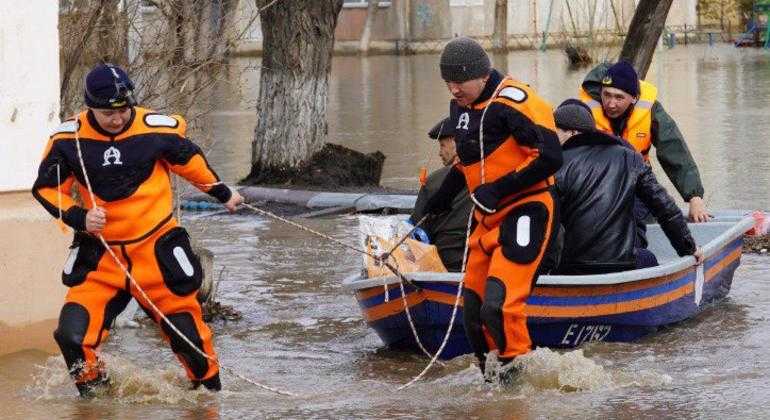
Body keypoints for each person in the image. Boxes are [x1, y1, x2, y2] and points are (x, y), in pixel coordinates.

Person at [32, 63, 243, 396]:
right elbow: (46, 189)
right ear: (90, 108)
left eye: (122, 110)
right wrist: (79, 217)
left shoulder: (156, 129)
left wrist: (223, 193)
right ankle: (97, 400)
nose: (117, 119)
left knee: (190, 341)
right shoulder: (67, 139)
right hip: (101, 256)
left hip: (155, 251)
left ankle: (208, 399)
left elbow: (191, 164)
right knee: (71, 337)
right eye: (106, 113)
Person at [422, 37, 562, 379]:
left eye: (459, 83)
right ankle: (490, 383)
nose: (453, 90)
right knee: (472, 312)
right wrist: (440, 198)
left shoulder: (516, 103)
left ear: (483, 76)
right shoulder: (461, 109)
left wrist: (500, 189)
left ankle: (518, 385)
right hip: (486, 216)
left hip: (526, 210)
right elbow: (467, 163)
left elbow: (551, 157)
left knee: (498, 307)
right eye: (448, 83)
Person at [552, 99, 703, 275]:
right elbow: (665, 208)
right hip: (622, 263)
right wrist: (689, 248)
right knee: (648, 258)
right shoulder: (630, 157)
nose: (552, 137)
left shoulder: (554, 166)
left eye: (555, 131)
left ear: (572, 132)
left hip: (570, 267)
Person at [578, 61, 710, 234]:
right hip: (596, 184)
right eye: (607, 95)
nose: (611, 104)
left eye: (619, 98)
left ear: (634, 98)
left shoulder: (650, 110)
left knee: (648, 222)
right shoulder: (582, 110)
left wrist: (694, 197)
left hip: (637, 182)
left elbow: (673, 149)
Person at [410, 117, 472, 272]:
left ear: (456, 143)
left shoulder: (433, 181)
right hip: (483, 258)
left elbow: (418, 232)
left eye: (442, 145)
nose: (439, 153)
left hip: (446, 261)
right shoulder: (492, 174)